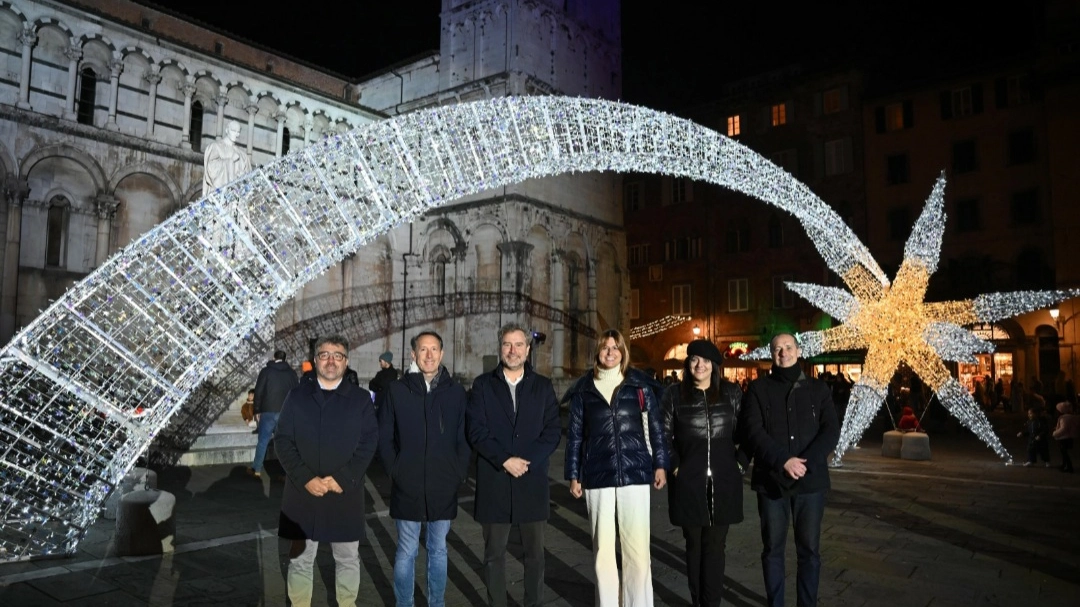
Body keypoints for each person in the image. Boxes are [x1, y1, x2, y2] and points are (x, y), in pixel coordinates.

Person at [564, 328, 669, 607]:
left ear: (623, 351)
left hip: (634, 472)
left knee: (637, 550)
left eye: (615, 347)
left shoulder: (639, 385)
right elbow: (575, 435)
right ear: (597, 351)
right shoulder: (583, 389)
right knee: (603, 550)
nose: (610, 352)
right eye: (605, 347)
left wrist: (660, 463)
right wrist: (574, 475)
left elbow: (654, 428)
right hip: (598, 475)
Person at [274, 335, 377, 607]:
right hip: (303, 493)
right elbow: (282, 440)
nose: (331, 361)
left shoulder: (361, 399)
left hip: (344, 492)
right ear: (315, 360)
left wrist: (344, 478)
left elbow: (369, 442)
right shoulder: (296, 397)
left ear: (346, 361)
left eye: (338, 355)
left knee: (347, 559)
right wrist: (305, 478)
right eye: (324, 355)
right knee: (300, 560)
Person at [739, 333, 839, 607]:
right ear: (771, 354)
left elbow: (831, 430)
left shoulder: (818, 389)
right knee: (773, 549)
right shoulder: (758, 389)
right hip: (771, 482)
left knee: (809, 551)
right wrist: (783, 460)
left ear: (798, 350)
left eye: (787, 347)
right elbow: (754, 431)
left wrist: (805, 462)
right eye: (777, 349)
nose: (783, 352)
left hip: (811, 482)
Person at [467, 323, 561, 607]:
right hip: (495, 480)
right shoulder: (483, 385)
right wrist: (505, 459)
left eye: (519, 345)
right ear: (500, 347)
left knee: (535, 556)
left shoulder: (543, 386)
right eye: (507, 344)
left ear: (528, 349)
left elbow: (552, 432)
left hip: (531, 482)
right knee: (494, 554)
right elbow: (476, 431)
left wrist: (526, 461)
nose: (513, 350)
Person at [377, 330, 470, 607]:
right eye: (423, 350)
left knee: (438, 549)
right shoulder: (397, 390)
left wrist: (458, 472)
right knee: (406, 551)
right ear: (413, 355)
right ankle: (404, 603)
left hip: (444, 482)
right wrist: (396, 470)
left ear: (441, 354)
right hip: (408, 482)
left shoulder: (455, 392)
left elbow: (463, 437)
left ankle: (436, 603)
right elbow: (384, 435)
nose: (429, 355)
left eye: (434, 350)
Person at [661, 339, 745, 607]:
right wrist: (675, 466)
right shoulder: (674, 395)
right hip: (688, 483)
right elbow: (662, 437)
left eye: (706, 361)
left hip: (723, 482)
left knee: (716, 548)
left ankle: (712, 603)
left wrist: (740, 464)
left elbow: (747, 433)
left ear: (714, 366)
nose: (700, 365)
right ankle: (698, 600)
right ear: (688, 364)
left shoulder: (731, 394)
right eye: (694, 360)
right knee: (694, 547)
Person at [249, 350, 298, 479]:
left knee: (263, 441)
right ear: (285, 359)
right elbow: (296, 393)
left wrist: (257, 410)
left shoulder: (266, 371)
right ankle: (287, 469)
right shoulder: (292, 373)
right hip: (285, 412)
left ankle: (257, 469)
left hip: (268, 411)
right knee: (284, 442)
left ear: (274, 357)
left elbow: (258, 392)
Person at [202, 119, 251, 193]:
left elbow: (250, 178)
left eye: (238, 132)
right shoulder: (215, 146)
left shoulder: (243, 155)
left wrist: (243, 177)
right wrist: (230, 160)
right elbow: (210, 169)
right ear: (227, 130)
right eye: (233, 131)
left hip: (236, 197)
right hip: (218, 194)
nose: (236, 134)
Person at [1052, 401, 1079, 473]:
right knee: (1064, 452)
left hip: (1064, 437)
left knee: (1064, 453)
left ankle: (1068, 467)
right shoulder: (1072, 417)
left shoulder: (1064, 418)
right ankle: (1064, 465)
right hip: (1069, 437)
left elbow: (1064, 429)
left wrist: (1055, 433)